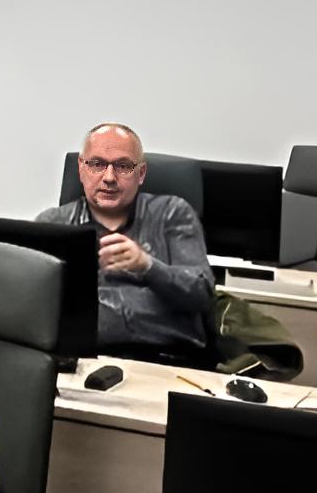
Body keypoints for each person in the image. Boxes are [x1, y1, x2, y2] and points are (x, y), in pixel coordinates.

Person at [34, 123, 211, 358]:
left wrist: (148, 266)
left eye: (123, 166)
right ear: (81, 168)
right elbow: (34, 304)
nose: (109, 177)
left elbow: (202, 294)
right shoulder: (53, 224)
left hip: (163, 361)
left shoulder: (172, 213)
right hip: (77, 358)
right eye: (97, 164)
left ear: (141, 173)